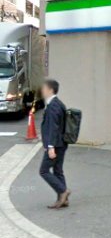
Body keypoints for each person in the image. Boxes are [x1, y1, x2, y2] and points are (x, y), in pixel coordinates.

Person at [39, 79, 71, 209]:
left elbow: (53, 127)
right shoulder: (58, 103)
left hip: (55, 145)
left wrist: (50, 146)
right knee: (58, 170)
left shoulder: (53, 106)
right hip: (61, 143)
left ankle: (63, 191)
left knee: (44, 171)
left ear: (50, 90)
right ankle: (63, 199)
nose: (42, 91)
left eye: (44, 88)